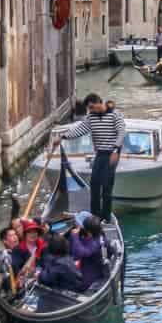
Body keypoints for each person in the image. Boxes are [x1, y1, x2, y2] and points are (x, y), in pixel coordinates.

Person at [55, 93, 125, 222]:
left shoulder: (116, 114)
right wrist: (62, 137)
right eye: (89, 108)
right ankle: (95, 216)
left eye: (92, 107)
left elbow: (121, 132)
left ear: (99, 102)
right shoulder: (91, 117)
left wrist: (116, 150)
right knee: (94, 184)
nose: (91, 110)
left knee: (107, 186)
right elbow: (79, 130)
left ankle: (106, 217)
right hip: (100, 153)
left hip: (112, 152)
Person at [69, 215, 108, 288]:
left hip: (90, 276)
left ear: (89, 231)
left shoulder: (96, 243)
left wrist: (75, 237)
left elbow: (81, 253)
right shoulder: (100, 236)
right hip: (94, 266)